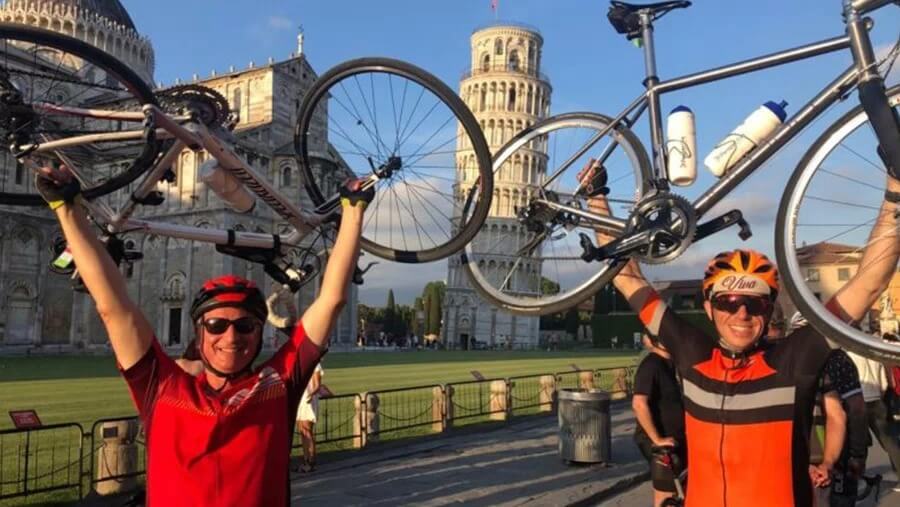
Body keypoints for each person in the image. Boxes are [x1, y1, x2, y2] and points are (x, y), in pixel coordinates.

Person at [36, 164, 372, 506]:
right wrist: (67, 208)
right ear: (199, 331)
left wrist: (353, 211)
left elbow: (331, 300)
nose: (231, 336)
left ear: (259, 332)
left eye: (245, 326)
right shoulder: (161, 385)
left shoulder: (278, 384)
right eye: (216, 325)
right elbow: (112, 305)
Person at [581, 158, 900, 507]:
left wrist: (895, 186)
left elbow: (868, 284)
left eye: (756, 303)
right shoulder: (692, 351)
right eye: (728, 301)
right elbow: (628, 278)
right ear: (709, 308)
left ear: (770, 309)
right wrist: (596, 196)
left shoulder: (796, 358)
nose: (742, 313)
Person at [632, 335, 686, 507]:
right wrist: (657, 440)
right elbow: (639, 404)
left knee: (681, 492)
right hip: (662, 443)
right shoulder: (651, 365)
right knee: (665, 496)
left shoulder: (672, 365)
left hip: (676, 438)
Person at [845, 342, 900, 481]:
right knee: (888, 440)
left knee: (858, 442)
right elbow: (885, 383)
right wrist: (879, 394)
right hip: (876, 400)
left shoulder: (847, 356)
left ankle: (858, 475)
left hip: (857, 402)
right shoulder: (874, 357)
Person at [296, 362, 324, 473]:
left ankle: (311, 462)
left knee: (307, 431)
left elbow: (317, 386)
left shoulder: (316, 365)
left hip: (308, 400)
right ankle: (306, 460)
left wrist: (310, 396)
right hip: (301, 400)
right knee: (302, 431)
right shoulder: (302, 364)